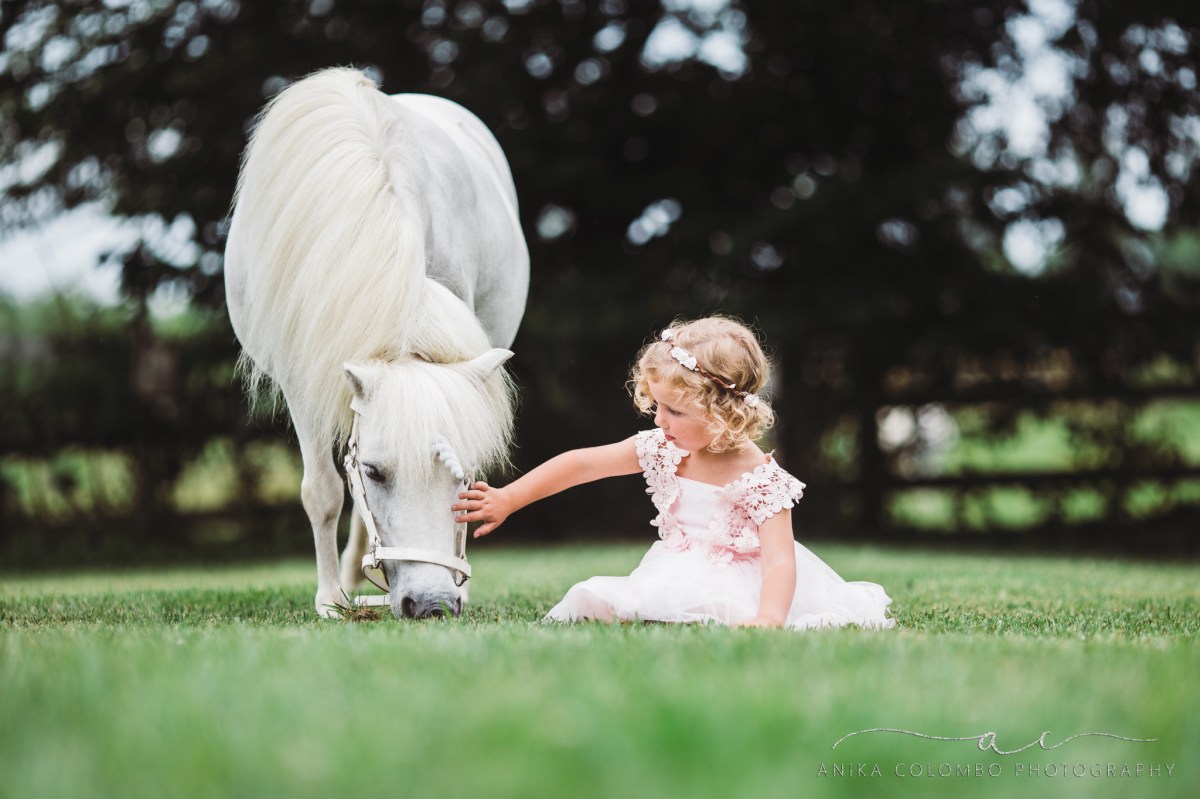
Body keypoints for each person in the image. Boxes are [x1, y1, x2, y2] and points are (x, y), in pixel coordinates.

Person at [452, 316, 895, 630]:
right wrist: (509, 498)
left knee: (697, 611)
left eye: (675, 411)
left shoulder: (761, 477)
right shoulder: (663, 448)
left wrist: (769, 618)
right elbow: (580, 464)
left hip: (742, 580)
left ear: (724, 411)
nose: (660, 420)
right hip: (675, 566)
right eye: (658, 405)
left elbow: (780, 558)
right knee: (608, 599)